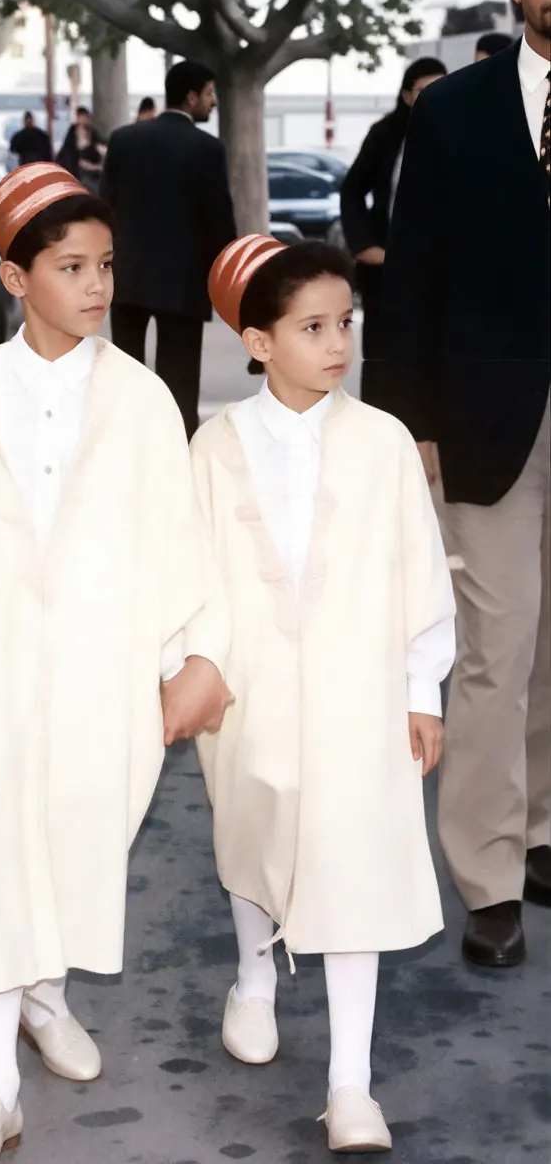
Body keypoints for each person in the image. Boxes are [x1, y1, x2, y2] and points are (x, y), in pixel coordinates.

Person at [0, 163, 231, 1159]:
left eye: (105, 265)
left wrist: (193, 653)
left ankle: (46, 993)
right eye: (69, 266)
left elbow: (180, 543)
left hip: (97, 670)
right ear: (13, 275)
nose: (95, 286)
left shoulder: (145, 402)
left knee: (75, 837)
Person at [193, 235, 455, 1155]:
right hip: (248, 689)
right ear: (258, 342)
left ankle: (351, 1083)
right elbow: (192, 576)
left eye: (345, 323)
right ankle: (254, 974)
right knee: (254, 827)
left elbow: (421, 570)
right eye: (313, 327)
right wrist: (197, 667)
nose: (338, 343)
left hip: (359, 689)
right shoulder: (215, 447)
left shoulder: (382, 442)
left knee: (355, 865)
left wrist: (422, 688)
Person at [365, 0, 551, 968]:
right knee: (496, 646)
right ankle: (487, 873)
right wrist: (411, 428)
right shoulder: (454, 113)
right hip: (485, 424)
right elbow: (414, 279)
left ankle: (538, 834)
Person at [100, 58, 237, 438]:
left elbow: (105, 207)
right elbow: (218, 221)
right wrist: (228, 281)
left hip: (127, 275)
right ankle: (175, 454)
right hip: (184, 280)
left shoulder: (124, 140)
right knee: (179, 382)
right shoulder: (207, 149)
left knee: (125, 372)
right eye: (210, 94)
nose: (214, 102)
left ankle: (124, 446)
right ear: (191, 96)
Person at [339, 57, 446, 332]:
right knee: (384, 362)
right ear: (407, 96)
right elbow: (352, 189)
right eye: (424, 90)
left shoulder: (465, 136)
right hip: (388, 270)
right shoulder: (384, 135)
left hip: (443, 273)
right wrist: (364, 245)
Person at [54, 106, 106, 192]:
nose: (83, 120)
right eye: (81, 117)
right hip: (75, 165)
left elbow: (98, 143)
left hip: (87, 165)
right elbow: (68, 148)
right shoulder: (73, 131)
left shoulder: (91, 132)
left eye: (84, 117)